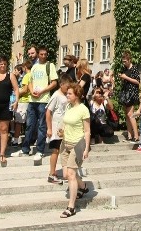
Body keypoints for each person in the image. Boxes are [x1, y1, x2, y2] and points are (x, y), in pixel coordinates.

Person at [14, 46, 58, 160]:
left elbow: (54, 83)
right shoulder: (34, 66)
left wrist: (43, 90)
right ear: (38, 54)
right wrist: (32, 90)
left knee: (42, 126)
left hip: (43, 100)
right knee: (29, 125)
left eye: (45, 54)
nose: (43, 56)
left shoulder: (50, 65)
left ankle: (40, 150)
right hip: (33, 100)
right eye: (41, 54)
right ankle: (25, 149)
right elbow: (30, 81)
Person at [58, 82, 91, 219]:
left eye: (69, 93)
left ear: (76, 95)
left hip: (78, 144)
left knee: (71, 174)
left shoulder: (83, 109)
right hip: (65, 143)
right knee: (66, 174)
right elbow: (66, 122)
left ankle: (71, 207)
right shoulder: (68, 106)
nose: (67, 95)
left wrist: (86, 148)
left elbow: (87, 131)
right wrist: (62, 130)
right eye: (67, 93)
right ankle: (82, 186)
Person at [0, 56, 19, 165]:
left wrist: (16, 101)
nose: (3, 66)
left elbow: (16, 89)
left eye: (5, 64)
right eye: (1, 64)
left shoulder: (10, 76)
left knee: (4, 129)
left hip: (6, 106)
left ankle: (2, 154)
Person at [45, 75, 70, 183]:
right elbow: (48, 112)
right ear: (61, 84)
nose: (68, 88)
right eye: (67, 86)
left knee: (64, 150)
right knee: (55, 150)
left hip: (64, 128)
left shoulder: (66, 95)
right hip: (56, 128)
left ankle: (67, 172)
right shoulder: (56, 95)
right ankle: (52, 173)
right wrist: (49, 128)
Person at [117, 52, 141, 143]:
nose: (124, 63)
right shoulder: (124, 68)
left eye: (125, 61)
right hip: (125, 92)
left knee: (131, 115)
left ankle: (136, 136)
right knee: (127, 115)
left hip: (131, 94)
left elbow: (137, 81)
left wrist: (126, 77)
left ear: (129, 60)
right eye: (123, 61)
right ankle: (130, 135)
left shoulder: (134, 69)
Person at [12, 58, 32, 146]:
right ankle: (28, 140)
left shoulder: (26, 76)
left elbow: (24, 90)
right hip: (29, 100)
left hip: (23, 101)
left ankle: (15, 141)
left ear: (24, 67)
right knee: (28, 123)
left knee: (18, 122)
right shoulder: (32, 75)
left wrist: (15, 92)